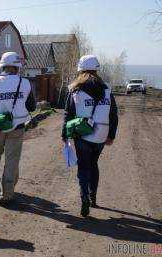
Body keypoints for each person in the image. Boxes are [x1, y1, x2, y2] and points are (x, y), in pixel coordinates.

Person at [62, 55, 119, 217]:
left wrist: (64, 134)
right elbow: (113, 114)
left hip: (82, 133)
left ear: (80, 70)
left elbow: (68, 113)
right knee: (93, 164)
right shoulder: (107, 89)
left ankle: (84, 198)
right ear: (96, 69)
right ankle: (93, 197)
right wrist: (111, 135)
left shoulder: (74, 89)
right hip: (101, 133)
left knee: (83, 166)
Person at [0, 52, 36, 204]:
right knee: (12, 160)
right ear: (18, 67)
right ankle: (8, 194)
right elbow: (32, 106)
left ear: (2, 65)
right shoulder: (25, 83)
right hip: (16, 127)